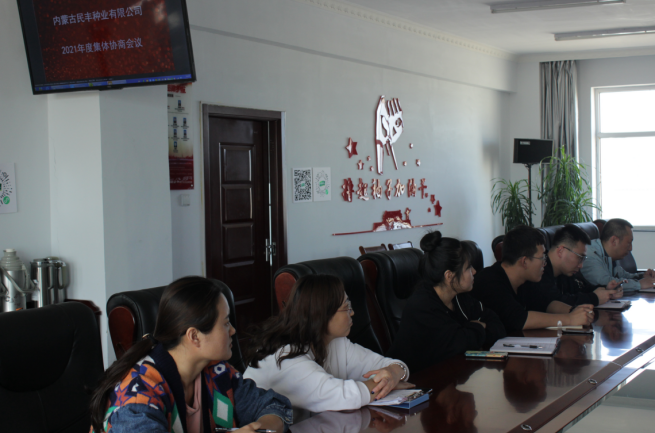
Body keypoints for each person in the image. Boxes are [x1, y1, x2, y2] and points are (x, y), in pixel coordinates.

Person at [89, 277, 292, 433]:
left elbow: (275, 405)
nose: (233, 330)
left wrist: (262, 428)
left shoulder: (217, 372)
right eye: (225, 323)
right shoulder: (138, 395)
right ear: (194, 336)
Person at [243, 274, 412, 413]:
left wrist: (394, 372)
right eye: (346, 307)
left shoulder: (335, 343)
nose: (352, 313)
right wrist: (386, 384)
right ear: (322, 314)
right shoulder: (285, 356)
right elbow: (344, 396)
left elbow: (386, 364)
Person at [387, 232, 506, 373]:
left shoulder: (460, 297)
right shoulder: (423, 306)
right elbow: (460, 344)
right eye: (468, 267)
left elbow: (498, 326)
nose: (474, 271)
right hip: (411, 380)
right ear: (449, 276)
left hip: (448, 374)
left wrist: (469, 331)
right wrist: (480, 326)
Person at [471, 226, 594, 332]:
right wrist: (570, 319)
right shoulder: (490, 282)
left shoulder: (526, 280)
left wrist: (574, 310)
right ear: (524, 262)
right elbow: (520, 320)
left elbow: (546, 303)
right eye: (542, 258)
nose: (545, 263)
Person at [520, 224, 623, 307]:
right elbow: (556, 302)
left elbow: (581, 289)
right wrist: (594, 298)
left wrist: (606, 290)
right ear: (561, 251)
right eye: (579, 258)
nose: (581, 265)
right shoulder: (538, 271)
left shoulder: (566, 272)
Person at [581, 218, 655, 293]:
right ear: (614, 241)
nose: (631, 248)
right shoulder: (590, 254)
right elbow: (605, 283)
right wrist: (639, 284)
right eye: (628, 243)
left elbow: (623, 275)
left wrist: (643, 276)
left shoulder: (609, 256)